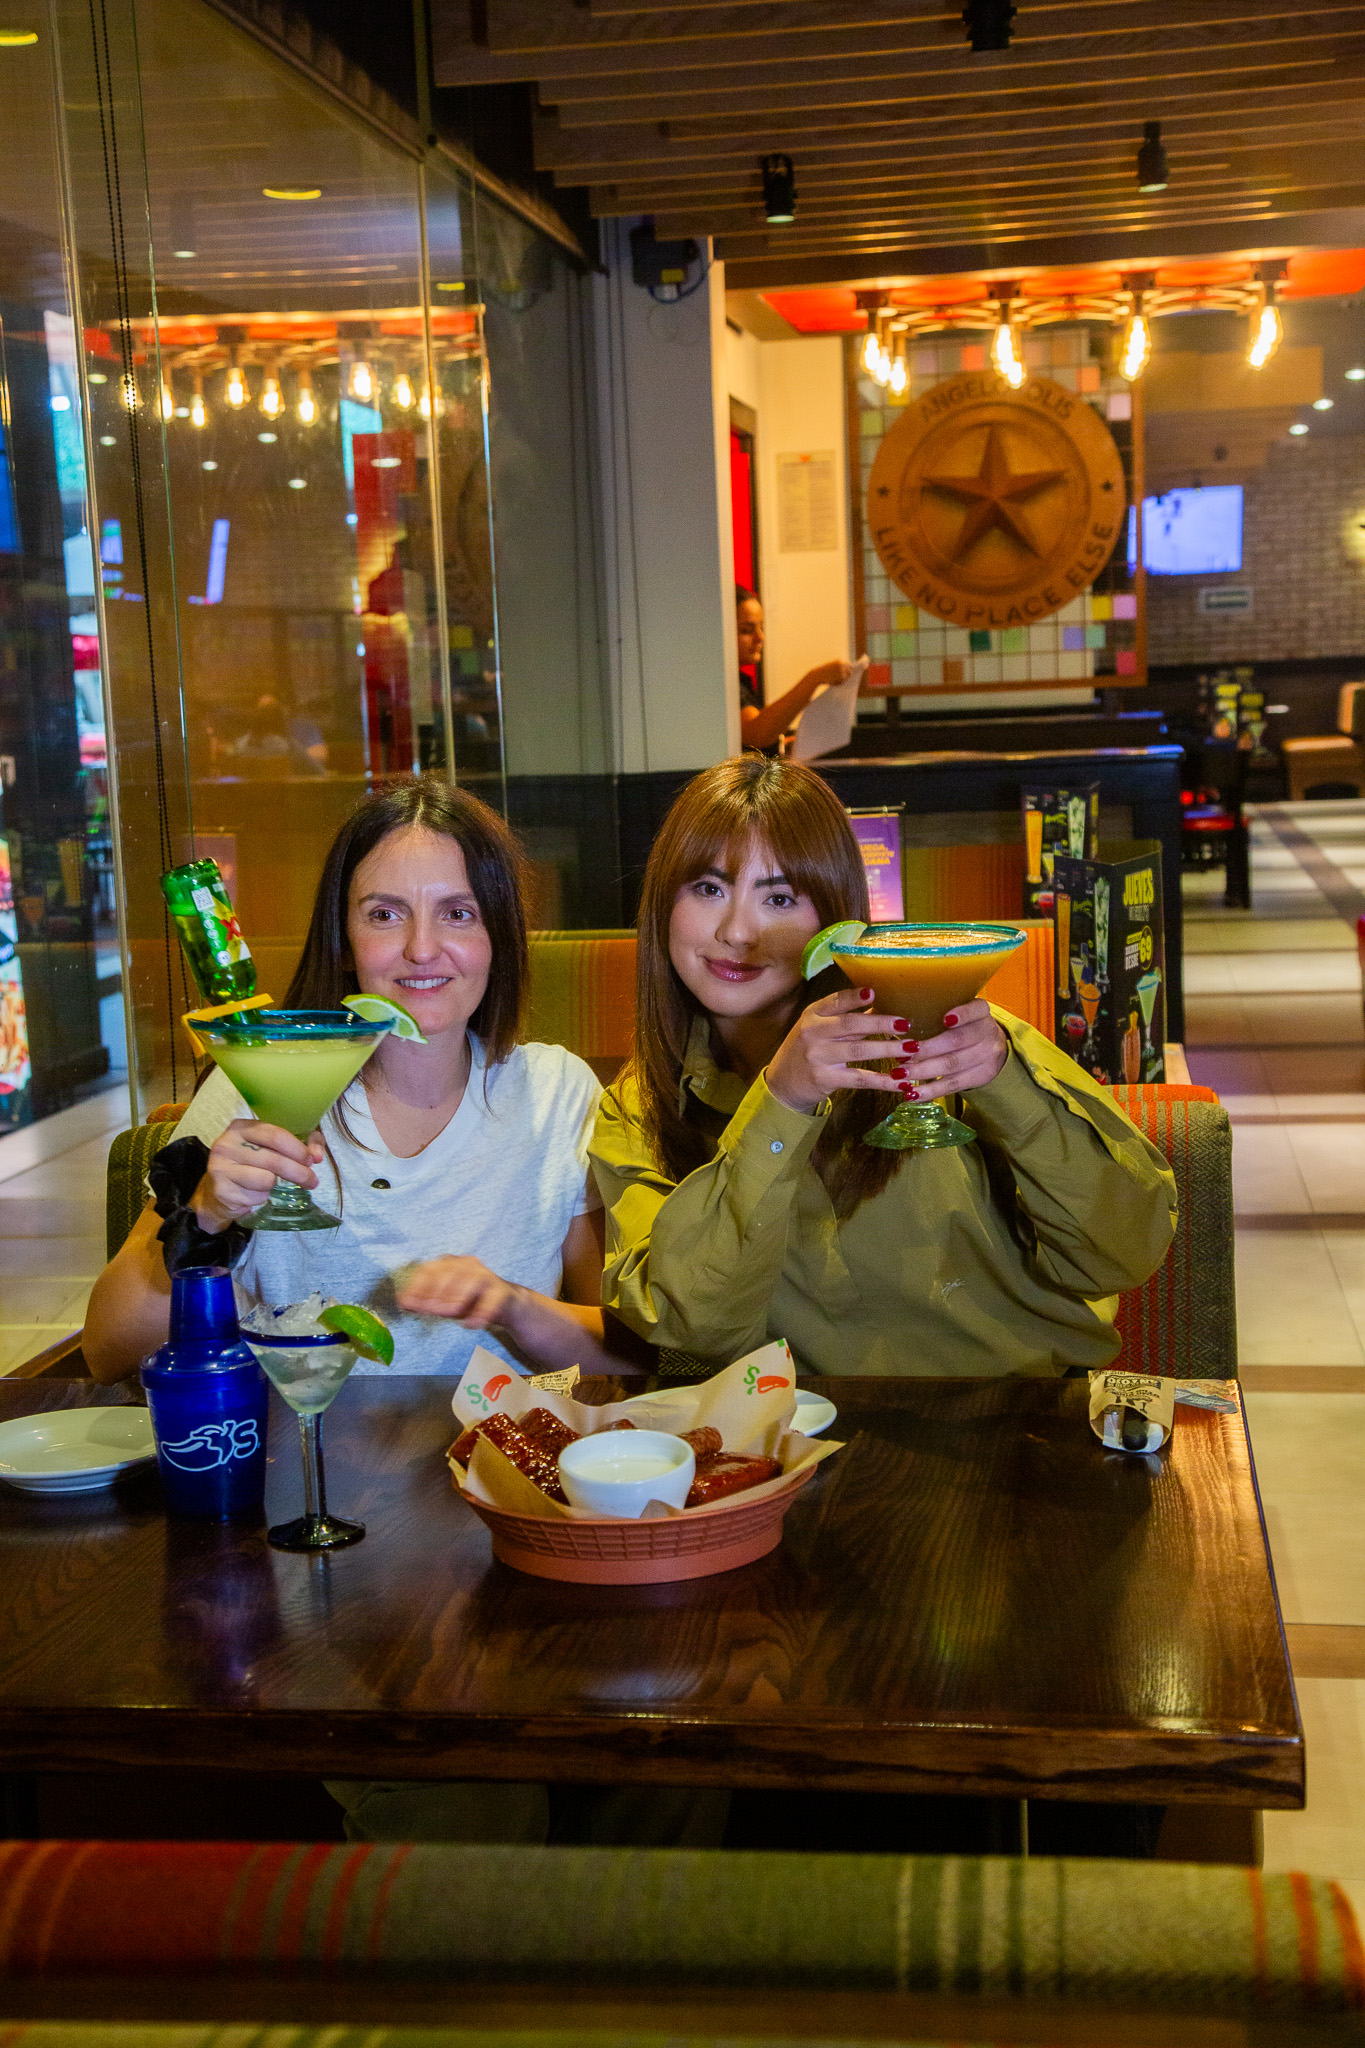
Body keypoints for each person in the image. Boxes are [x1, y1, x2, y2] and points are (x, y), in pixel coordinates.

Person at [590, 755, 1177, 1380]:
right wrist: (781, 1102)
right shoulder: (637, 1110)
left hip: (1023, 1407)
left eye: (780, 897)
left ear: (835, 919)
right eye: (709, 889)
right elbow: (689, 1327)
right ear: (663, 904)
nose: (738, 932)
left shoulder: (949, 1039)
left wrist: (1007, 1083)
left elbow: (1126, 1250)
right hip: (806, 1426)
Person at [84, 775, 627, 1385]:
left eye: (458, 913)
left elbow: (621, 1352)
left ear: (497, 937)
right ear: (343, 941)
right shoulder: (251, 1093)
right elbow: (108, 1350)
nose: (422, 949)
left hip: (501, 1440)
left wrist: (513, 1305)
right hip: (304, 1441)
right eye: (385, 914)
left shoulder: (556, 1093)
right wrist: (207, 1213)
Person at [735, 586, 852, 754]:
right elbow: (756, 734)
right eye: (746, 630)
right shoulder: (721, 684)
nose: (760, 637)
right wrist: (814, 679)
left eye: (761, 628)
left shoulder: (740, 682)